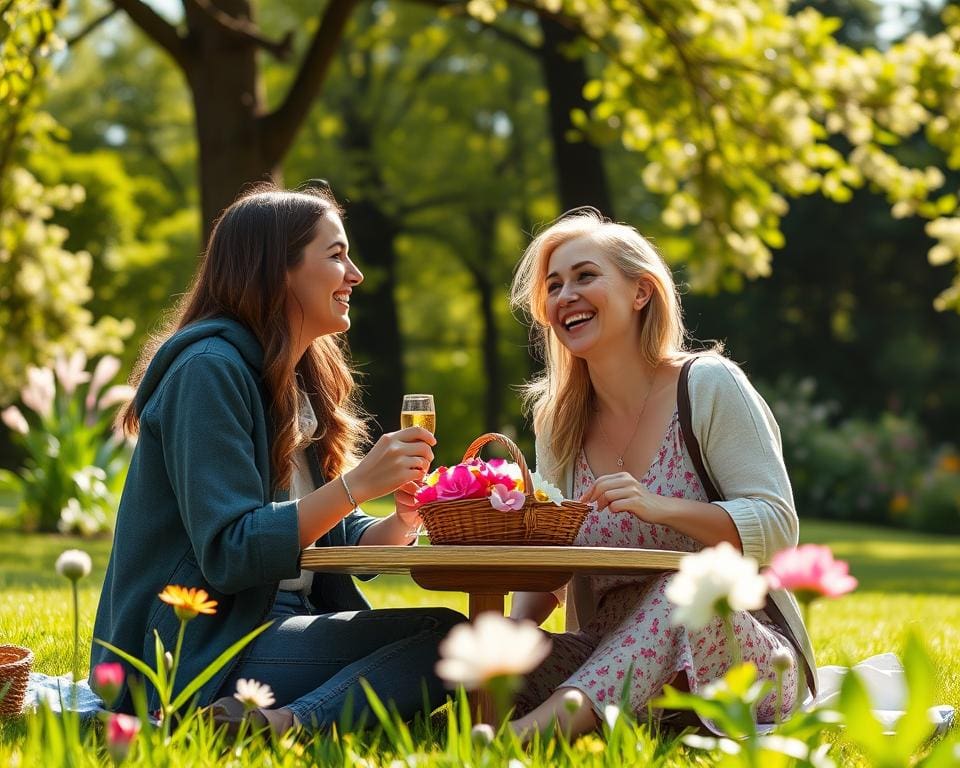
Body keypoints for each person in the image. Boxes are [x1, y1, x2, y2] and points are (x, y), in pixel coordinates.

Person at [89, 183, 463, 735]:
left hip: (279, 622)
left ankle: (266, 720)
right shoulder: (208, 370)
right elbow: (233, 549)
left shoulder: (294, 374)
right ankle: (288, 723)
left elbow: (317, 530)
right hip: (198, 643)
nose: (355, 274)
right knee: (454, 641)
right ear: (277, 269)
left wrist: (399, 521)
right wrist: (357, 484)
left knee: (462, 638)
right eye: (336, 255)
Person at [507, 208, 816, 738]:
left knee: (683, 591)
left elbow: (777, 526)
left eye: (585, 276)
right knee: (462, 649)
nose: (565, 296)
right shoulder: (557, 421)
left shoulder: (709, 384)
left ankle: (533, 736)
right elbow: (550, 565)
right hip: (607, 653)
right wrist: (507, 638)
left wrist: (659, 507)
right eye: (554, 285)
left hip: (744, 654)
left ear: (640, 293)